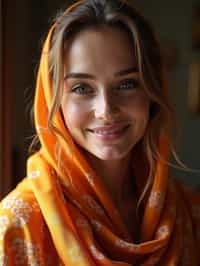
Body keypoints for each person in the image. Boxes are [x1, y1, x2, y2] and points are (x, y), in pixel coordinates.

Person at [0, 0, 200, 265]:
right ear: (54, 98)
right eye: (82, 88)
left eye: (127, 84)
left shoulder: (190, 214)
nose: (106, 110)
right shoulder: (18, 226)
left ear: (153, 92)